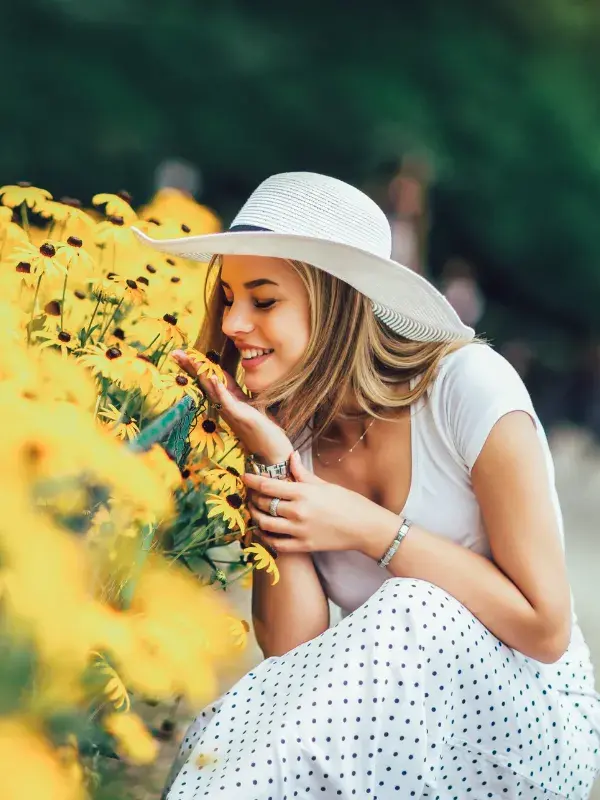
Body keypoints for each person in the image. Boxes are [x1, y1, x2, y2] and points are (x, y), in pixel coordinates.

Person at [134, 172, 600, 799]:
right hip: (394, 729)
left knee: (414, 607)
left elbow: (545, 628)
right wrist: (272, 464)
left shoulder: (467, 389)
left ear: (338, 306)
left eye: (264, 300)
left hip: (530, 725)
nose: (235, 322)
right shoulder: (288, 424)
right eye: (229, 298)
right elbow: (295, 654)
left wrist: (367, 528)